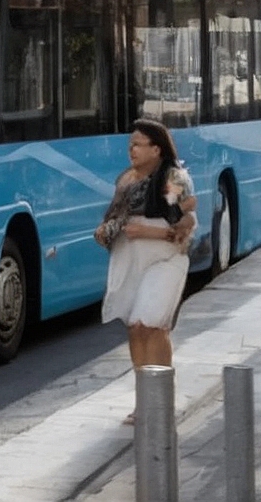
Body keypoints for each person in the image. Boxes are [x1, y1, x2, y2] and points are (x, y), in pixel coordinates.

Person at [97, 119, 197, 384]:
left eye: (138, 144)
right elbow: (116, 216)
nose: (132, 150)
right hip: (130, 261)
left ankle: (161, 392)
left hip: (165, 260)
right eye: (130, 145)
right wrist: (106, 230)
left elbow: (185, 227)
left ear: (156, 149)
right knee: (135, 328)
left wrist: (147, 232)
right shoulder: (126, 180)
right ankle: (145, 395)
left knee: (150, 324)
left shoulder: (173, 179)